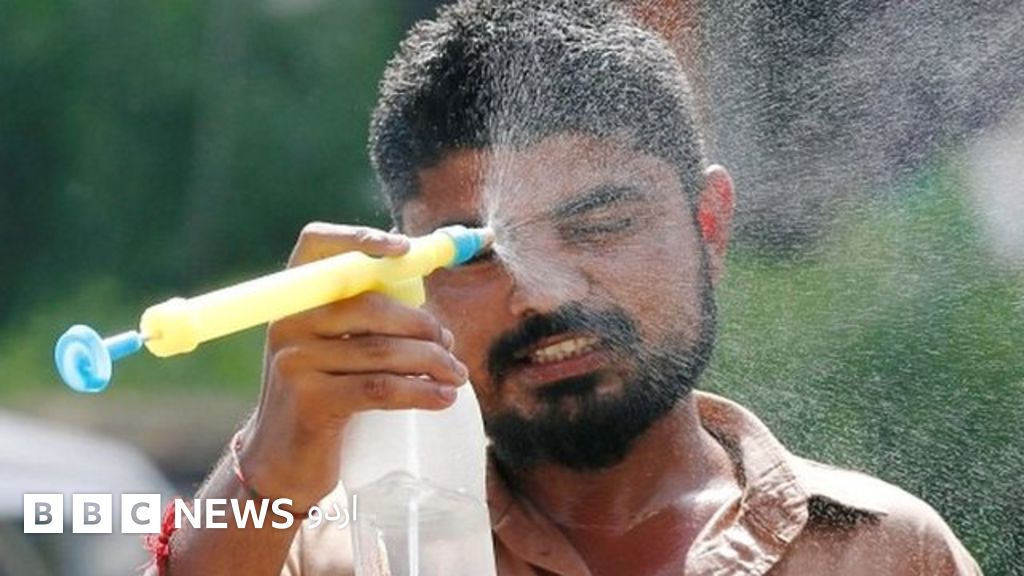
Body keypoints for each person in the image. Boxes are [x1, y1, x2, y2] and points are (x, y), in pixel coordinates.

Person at [153, 1, 981, 574]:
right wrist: (269, 466)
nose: (542, 295)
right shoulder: (333, 551)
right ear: (404, 277)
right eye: (472, 253)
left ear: (710, 225)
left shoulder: (887, 553)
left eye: (600, 223)